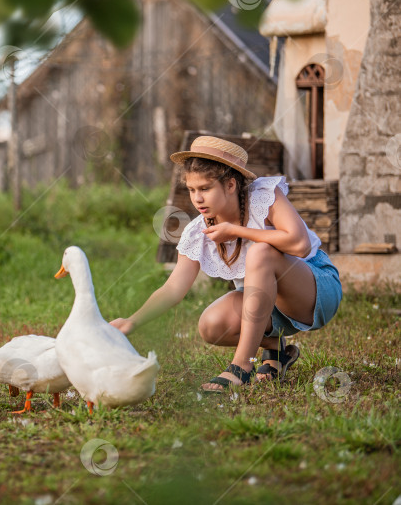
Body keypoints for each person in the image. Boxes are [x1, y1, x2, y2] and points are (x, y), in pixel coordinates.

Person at [110, 136, 342, 392]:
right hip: (267, 305)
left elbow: (300, 245)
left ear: (230, 184)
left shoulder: (263, 197)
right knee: (211, 325)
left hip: (314, 291)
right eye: (191, 189)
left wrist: (238, 231)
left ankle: (242, 366)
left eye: (205, 188)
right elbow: (173, 289)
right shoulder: (199, 231)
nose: (197, 199)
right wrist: (132, 321)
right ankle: (277, 351)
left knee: (260, 252)